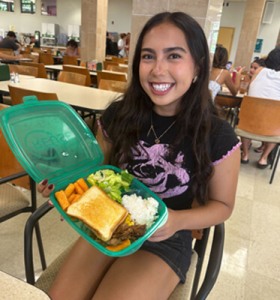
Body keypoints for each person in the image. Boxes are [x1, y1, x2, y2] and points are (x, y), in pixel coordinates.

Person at [38, 12, 240, 300]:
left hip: (166, 238)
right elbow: (95, 175)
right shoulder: (118, 116)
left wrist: (177, 220)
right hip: (107, 225)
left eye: (173, 56)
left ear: (197, 66)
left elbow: (223, 206)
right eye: (148, 56)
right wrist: (65, 186)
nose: (158, 69)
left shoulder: (218, 136)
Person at [241, 47, 280, 168]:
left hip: (247, 126)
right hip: (270, 129)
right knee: (277, 121)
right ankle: (263, 158)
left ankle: (245, 154)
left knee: (246, 115)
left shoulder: (258, 71)